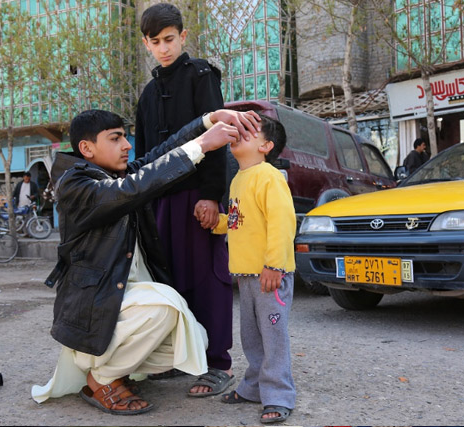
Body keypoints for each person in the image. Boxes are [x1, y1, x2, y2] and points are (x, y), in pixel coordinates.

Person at [31, 108, 261, 415]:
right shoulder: (75, 185)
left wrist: (207, 120)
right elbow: (130, 190)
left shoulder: (113, 174)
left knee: (192, 335)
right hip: (95, 307)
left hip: (119, 300)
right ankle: (101, 378)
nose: (126, 145)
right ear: (86, 149)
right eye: (115, 138)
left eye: (125, 137)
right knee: (166, 307)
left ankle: (116, 366)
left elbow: (161, 154)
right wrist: (203, 145)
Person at [136, 2, 234, 397]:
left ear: (183, 36)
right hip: (161, 200)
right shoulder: (146, 94)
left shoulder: (201, 76)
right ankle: (178, 359)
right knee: (169, 281)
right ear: (146, 44)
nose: (164, 48)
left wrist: (212, 195)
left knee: (206, 277)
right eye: (156, 42)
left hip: (197, 196)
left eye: (170, 39)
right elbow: (143, 153)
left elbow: (218, 139)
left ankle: (217, 364)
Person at [199, 114, 296, 424]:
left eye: (249, 131)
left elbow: (282, 224)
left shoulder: (269, 175)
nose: (239, 133)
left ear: (266, 146)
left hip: (269, 274)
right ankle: (254, 387)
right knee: (252, 338)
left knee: (273, 338)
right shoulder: (240, 178)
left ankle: (279, 395)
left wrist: (274, 265)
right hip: (247, 275)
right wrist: (219, 224)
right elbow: (243, 222)